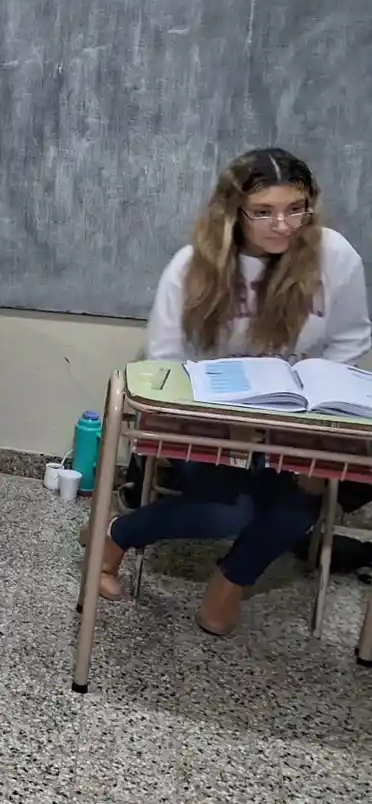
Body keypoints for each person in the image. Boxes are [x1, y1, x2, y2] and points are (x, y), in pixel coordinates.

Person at [90, 148, 372, 635]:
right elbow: (163, 356)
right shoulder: (192, 266)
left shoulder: (335, 257)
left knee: (301, 502)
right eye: (264, 212)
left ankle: (231, 580)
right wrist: (216, 414)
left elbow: (351, 336)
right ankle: (115, 535)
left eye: (296, 208)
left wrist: (311, 401)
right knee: (229, 510)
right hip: (207, 417)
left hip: (294, 418)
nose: (283, 225)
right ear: (234, 212)